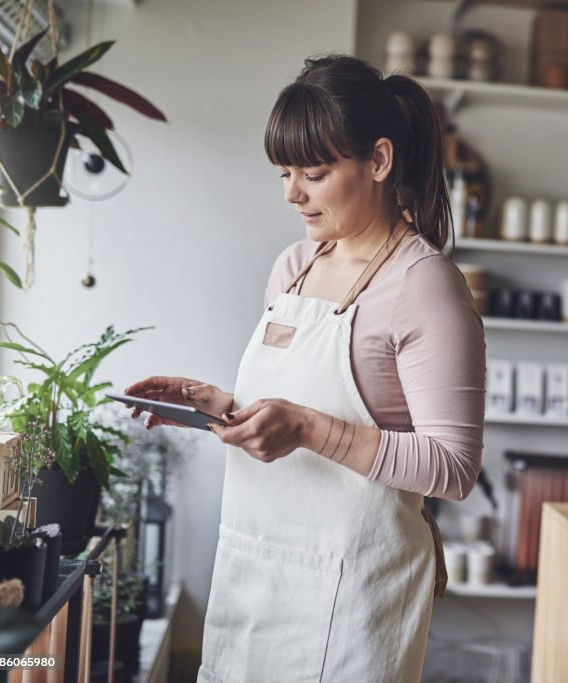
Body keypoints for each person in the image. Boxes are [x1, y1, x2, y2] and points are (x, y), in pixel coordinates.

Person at [124, 54, 485, 682]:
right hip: (254, 575)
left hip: (355, 595)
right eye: (285, 172)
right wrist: (219, 406)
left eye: (314, 173)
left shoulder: (424, 285)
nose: (293, 193)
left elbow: (452, 469)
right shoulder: (296, 265)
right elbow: (293, 413)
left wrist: (309, 429)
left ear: (378, 161)